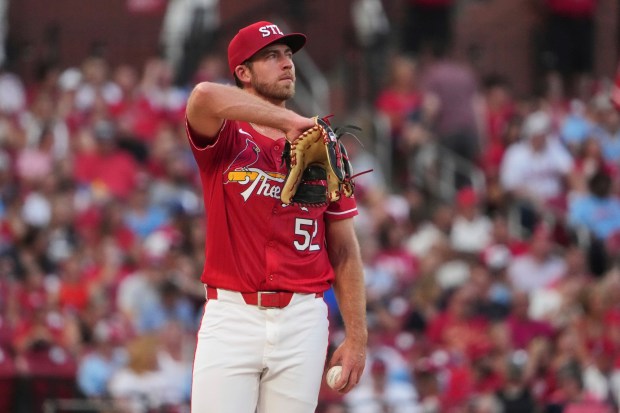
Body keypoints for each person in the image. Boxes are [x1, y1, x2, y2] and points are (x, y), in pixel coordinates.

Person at [184, 21, 368, 412]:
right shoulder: (226, 135)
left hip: (303, 317)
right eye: (271, 56)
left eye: (288, 55)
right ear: (243, 73)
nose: (287, 64)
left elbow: (345, 250)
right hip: (232, 314)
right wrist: (288, 122)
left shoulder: (324, 147)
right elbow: (202, 97)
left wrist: (358, 337)